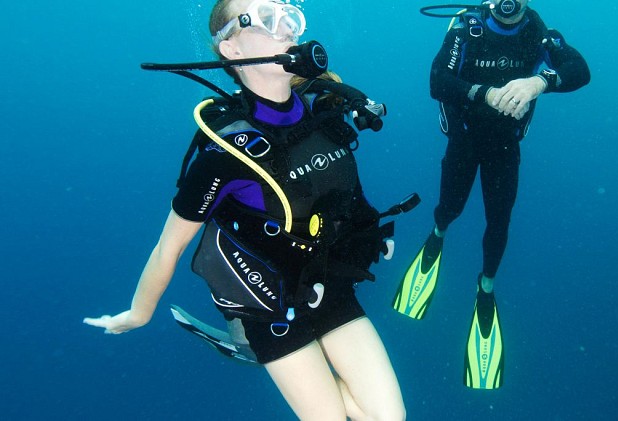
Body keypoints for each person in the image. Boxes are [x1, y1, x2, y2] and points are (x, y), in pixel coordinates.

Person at [84, 1, 406, 419]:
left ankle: (259, 353)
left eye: (291, 18)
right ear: (231, 49)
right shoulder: (225, 155)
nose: (288, 30)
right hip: (267, 304)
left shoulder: (325, 108)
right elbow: (170, 247)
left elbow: (341, 185)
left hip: (327, 280)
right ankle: (252, 342)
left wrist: (368, 229)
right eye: (269, 20)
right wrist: (138, 314)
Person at [393, 0, 590, 389]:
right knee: (450, 207)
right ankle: (438, 235)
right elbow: (438, 82)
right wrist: (484, 93)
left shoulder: (538, 31)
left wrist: (539, 82)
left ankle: (486, 287)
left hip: (505, 146)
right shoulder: (466, 29)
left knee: (499, 220)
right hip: (464, 141)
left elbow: (579, 70)